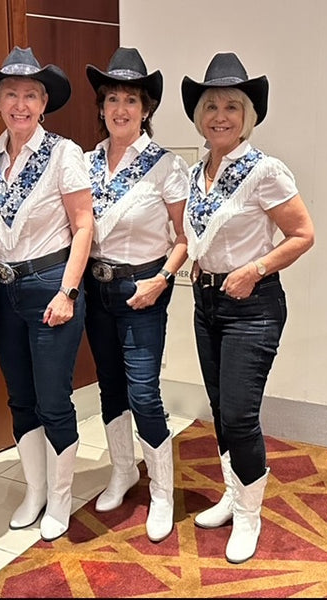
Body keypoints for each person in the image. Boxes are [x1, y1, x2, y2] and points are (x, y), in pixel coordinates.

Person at [180, 52, 315, 563]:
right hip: (206, 304)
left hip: (253, 307)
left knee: (240, 415)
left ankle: (251, 516)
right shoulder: (199, 172)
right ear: (200, 116)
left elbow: (303, 235)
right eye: (211, 105)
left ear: (247, 115)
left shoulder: (265, 171)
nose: (220, 115)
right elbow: (194, 236)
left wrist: (255, 269)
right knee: (220, 411)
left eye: (231, 106)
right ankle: (234, 498)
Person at [0, 47, 94, 542]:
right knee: (20, 398)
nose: (20, 104)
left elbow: (84, 225)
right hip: (3, 291)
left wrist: (68, 290)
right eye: (10, 94)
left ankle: (61, 499)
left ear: (44, 103)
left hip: (51, 285)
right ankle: (34, 490)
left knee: (52, 398)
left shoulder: (64, 153)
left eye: (30, 95)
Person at [83, 47, 190, 542]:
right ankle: (123, 469)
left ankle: (163, 490)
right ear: (101, 107)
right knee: (110, 385)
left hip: (143, 287)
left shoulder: (166, 166)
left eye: (131, 99)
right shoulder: (83, 163)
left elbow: (186, 238)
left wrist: (161, 280)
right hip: (95, 288)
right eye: (112, 99)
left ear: (146, 108)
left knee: (144, 390)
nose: (120, 108)